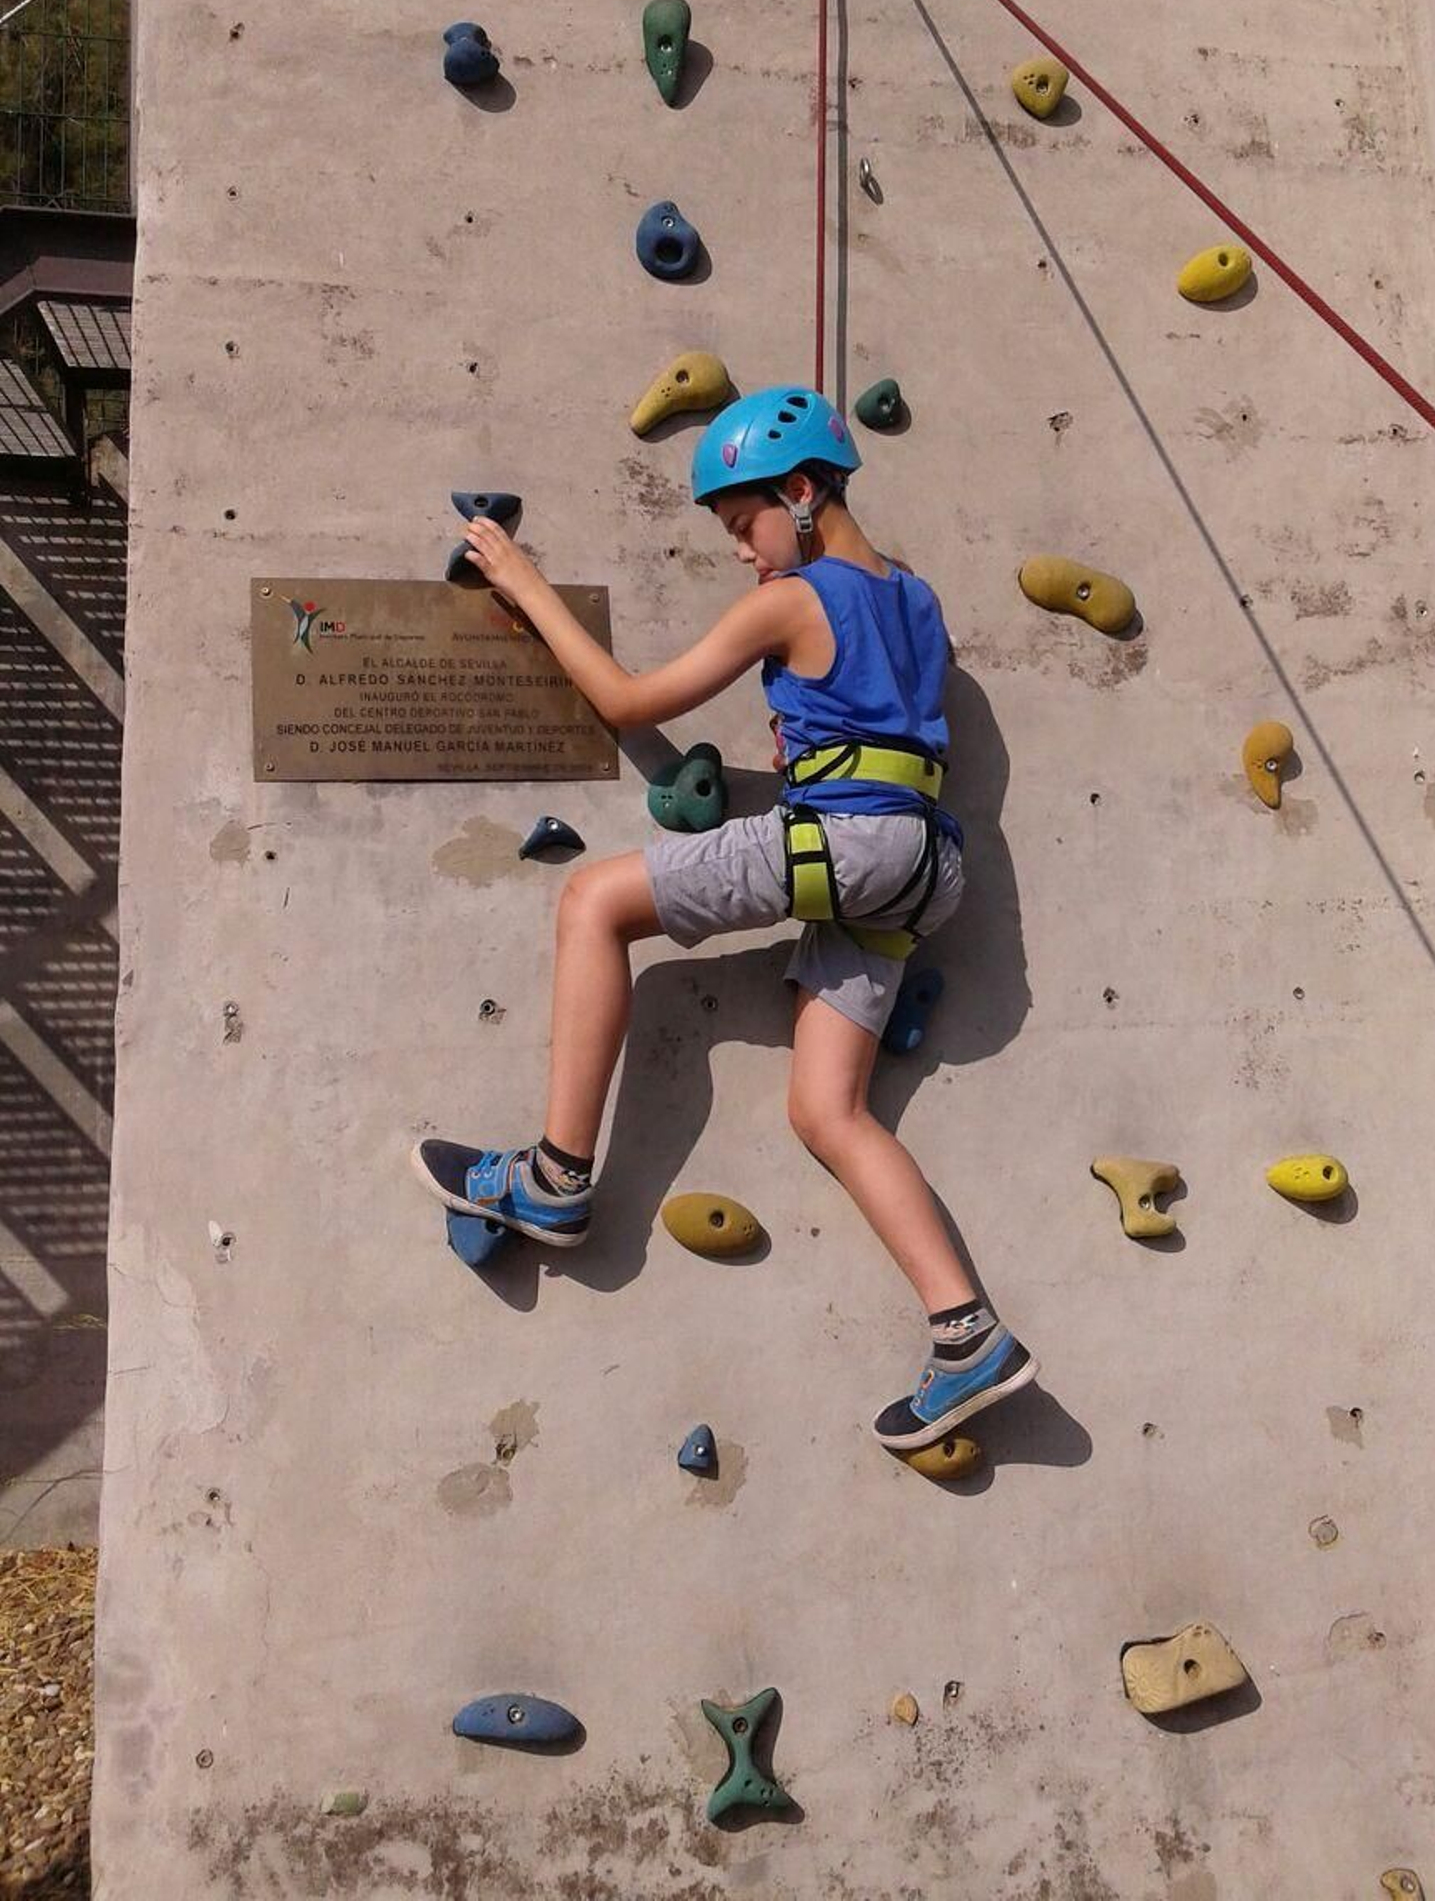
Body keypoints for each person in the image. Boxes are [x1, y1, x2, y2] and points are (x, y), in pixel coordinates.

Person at [411, 386, 1036, 1452]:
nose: (744, 553)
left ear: (803, 492)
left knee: (593, 900)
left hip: (849, 842)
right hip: (925, 866)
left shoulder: (790, 600)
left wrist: (520, 580)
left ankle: (555, 1178)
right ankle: (966, 1333)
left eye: (745, 524)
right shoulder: (919, 599)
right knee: (828, 1111)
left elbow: (627, 701)